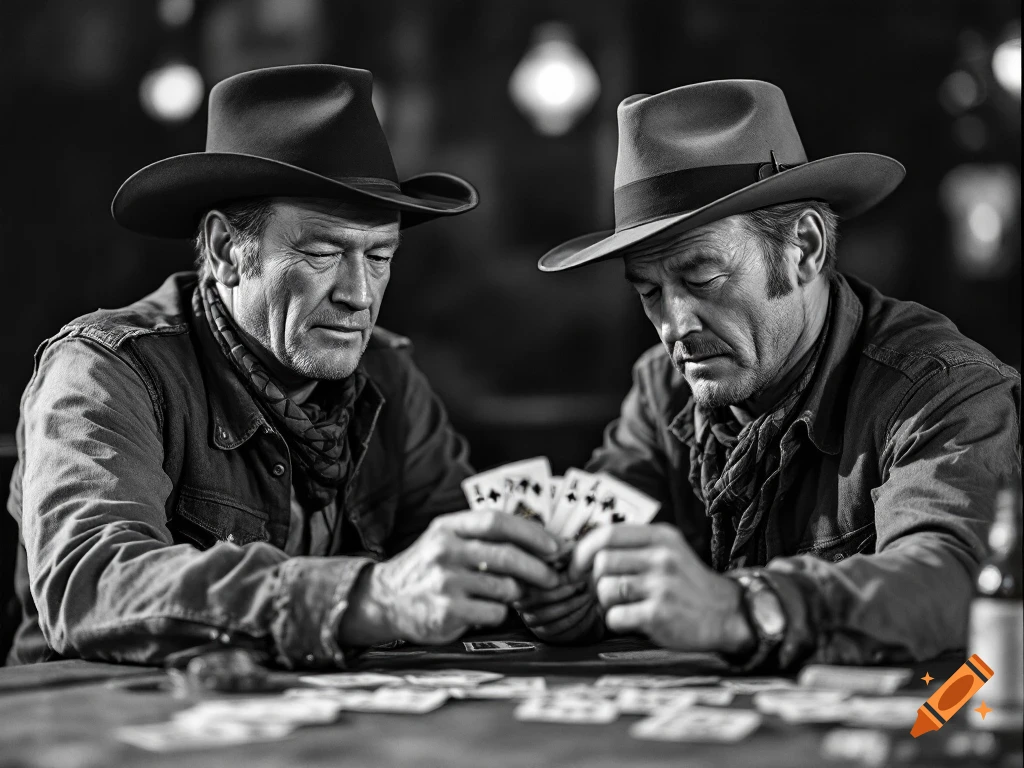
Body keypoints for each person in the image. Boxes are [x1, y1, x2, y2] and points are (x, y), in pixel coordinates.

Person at [7, 64, 563, 668]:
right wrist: (365, 597)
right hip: (94, 734)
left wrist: (545, 594)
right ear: (226, 251)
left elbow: (461, 570)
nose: (359, 294)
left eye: (380, 256)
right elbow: (90, 584)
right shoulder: (104, 371)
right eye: (323, 253)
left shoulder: (393, 379)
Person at [520, 79, 1021, 669]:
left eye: (702, 277)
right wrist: (571, 595)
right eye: (649, 292)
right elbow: (595, 536)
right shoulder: (661, 389)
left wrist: (745, 607)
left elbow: (953, 574)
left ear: (803, 248)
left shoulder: (940, 389)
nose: (674, 326)